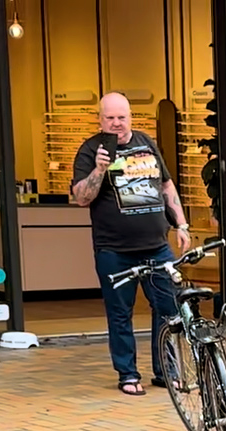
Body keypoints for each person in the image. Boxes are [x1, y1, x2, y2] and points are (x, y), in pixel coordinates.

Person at [70, 92, 191, 396]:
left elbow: (165, 184)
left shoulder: (146, 142)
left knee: (167, 308)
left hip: (155, 245)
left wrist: (181, 224)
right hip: (114, 249)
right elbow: (81, 198)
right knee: (120, 312)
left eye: (121, 117)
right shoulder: (89, 151)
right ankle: (127, 374)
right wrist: (99, 169)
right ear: (100, 120)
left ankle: (166, 371)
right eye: (109, 118)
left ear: (130, 117)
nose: (116, 124)